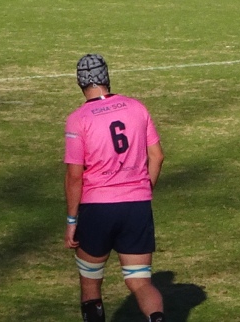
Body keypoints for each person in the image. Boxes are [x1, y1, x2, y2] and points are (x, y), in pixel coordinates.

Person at [64, 53, 167, 322]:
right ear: (107, 78)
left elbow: (74, 176)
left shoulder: (78, 119)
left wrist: (72, 221)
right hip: (136, 207)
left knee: (90, 283)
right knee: (140, 282)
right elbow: (157, 156)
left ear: (80, 82)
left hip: (97, 209)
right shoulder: (137, 108)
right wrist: (142, 192)